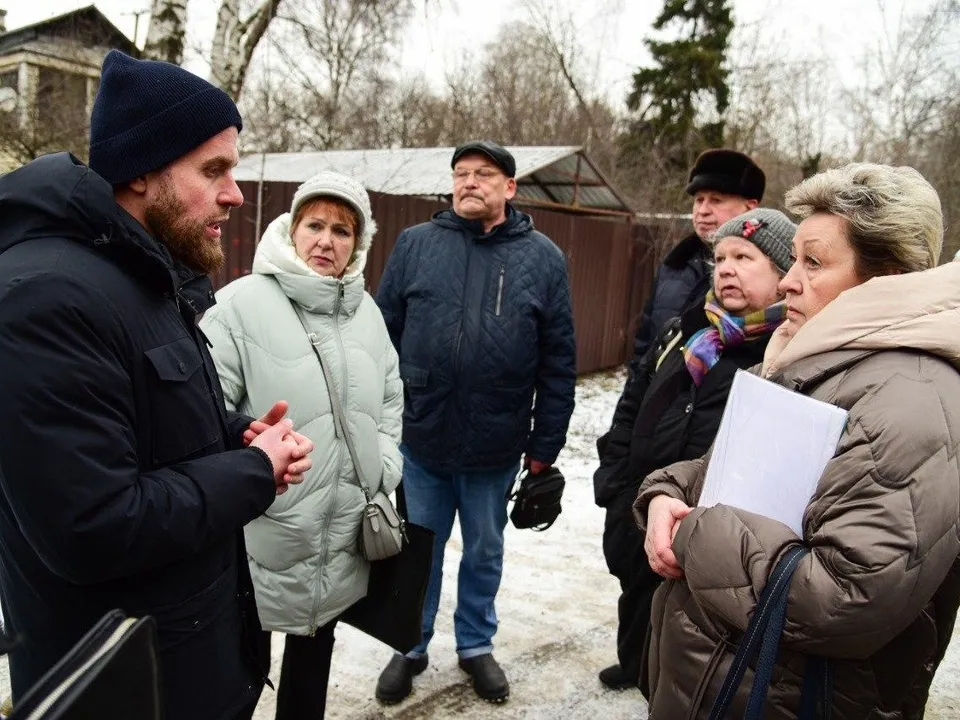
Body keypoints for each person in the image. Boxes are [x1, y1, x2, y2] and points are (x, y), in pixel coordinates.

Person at [0, 50, 314, 720]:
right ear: (141, 170)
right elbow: (92, 525)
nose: (235, 193)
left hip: (189, 664)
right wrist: (252, 470)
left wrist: (235, 435)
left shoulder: (143, 274)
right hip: (126, 690)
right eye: (214, 170)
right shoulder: (46, 296)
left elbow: (147, 427)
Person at [636, 163, 960, 717]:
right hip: (726, 682)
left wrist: (695, 530)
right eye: (794, 260)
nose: (788, 281)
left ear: (885, 277)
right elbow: (731, 470)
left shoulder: (912, 399)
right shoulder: (815, 358)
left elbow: (840, 598)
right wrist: (666, 492)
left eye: (813, 262)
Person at [373, 140, 576, 704]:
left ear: (509, 187)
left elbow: (558, 360)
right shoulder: (416, 244)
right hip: (422, 435)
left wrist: (545, 444)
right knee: (420, 549)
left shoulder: (542, 258)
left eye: (483, 174)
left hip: (496, 442)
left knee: (484, 550)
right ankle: (410, 646)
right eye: (460, 173)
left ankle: (476, 645)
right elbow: (381, 337)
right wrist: (383, 420)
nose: (468, 182)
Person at [200, 172, 403, 719]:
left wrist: (383, 466)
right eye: (314, 225)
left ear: (358, 244)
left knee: (312, 667)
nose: (326, 241)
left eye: (342, 230)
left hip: (340, 532)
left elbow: (391, 398)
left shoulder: (368, 313)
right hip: (260, 529)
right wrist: (245, 463)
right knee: (239, 675)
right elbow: (201, 409)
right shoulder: (240, 305)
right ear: (292, 230)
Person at [593, 209, 796, 693]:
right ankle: (636, 667)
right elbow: (631, 405)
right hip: (640, 503)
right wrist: (616, 484)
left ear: (784, 274)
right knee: (638, 600)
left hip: (712, 532)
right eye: (720, 258)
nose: (726, 269)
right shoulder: (684, 332)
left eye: (744, 258)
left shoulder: (786, 353)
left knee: (691, 646)